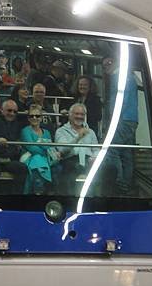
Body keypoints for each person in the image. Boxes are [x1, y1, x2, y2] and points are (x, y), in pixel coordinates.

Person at [102, 53, 139, 195]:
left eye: (109, 63)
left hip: (121, 119)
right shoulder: (131, 78)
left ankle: (119, 182)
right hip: (132, 119)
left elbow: (119, 100)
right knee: (126, 153)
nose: (107, 67)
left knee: (112, 149)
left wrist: (113, 118)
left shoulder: (119, 77)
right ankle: (127, 184)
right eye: (105, 64)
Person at [55, 103, 103, 196]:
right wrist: (78, 137)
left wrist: (94, 157)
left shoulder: (91, 132)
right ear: (70, 115)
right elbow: (62, 150)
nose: (79, 117)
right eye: (76, 114)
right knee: (74, 171)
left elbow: (96, 149)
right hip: (70, 160)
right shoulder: (61, 131)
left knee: (110, 168)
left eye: (82, 114)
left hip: (89, 160)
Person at [20, 104, 60, 194]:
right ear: (28, 118)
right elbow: (32, 148)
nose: (34, 118)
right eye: (31, 116)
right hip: (29, 158)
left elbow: (51, 147)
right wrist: (46, 149)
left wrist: (49, 150)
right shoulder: (25, 131)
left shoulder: (47, 132)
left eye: (37, 116)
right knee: (37, 160)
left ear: (41, 118)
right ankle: (38, 191)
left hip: (46, 159)